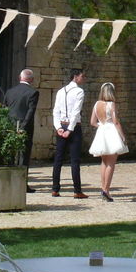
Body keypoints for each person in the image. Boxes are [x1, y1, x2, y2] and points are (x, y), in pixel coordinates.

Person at [88, 82, 128, 201]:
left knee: (104, 162)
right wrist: (123, 136)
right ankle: (106, 190)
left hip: (102, 131)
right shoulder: (111, 104)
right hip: (111, 131)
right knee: (111, 162)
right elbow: (116, 122)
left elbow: (92, 122)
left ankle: (103, 188)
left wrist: (101, 126)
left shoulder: (97, 104)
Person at [52, 68, 88, 199]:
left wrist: (58, 127)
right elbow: (76, 112)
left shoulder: (61, 91)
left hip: (62, 124)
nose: (83, 79)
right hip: (74, 127)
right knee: (75, 160)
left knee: (58, 158)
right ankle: (77, 190)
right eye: (82, 76)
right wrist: (70, 129)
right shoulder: (79, 91)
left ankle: (55, 189)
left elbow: (56, 111)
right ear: (75, 77)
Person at [3, 69, 39, 177]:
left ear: (20, 78)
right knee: (24, 153)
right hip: (25, 126)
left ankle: (9, 178)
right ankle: (22, 181)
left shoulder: (10, 91)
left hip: (10, 125)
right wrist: (23, 127)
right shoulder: (33, 92)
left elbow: (4, 108)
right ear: (32, 79)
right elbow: (30, 111)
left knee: (10, 151)